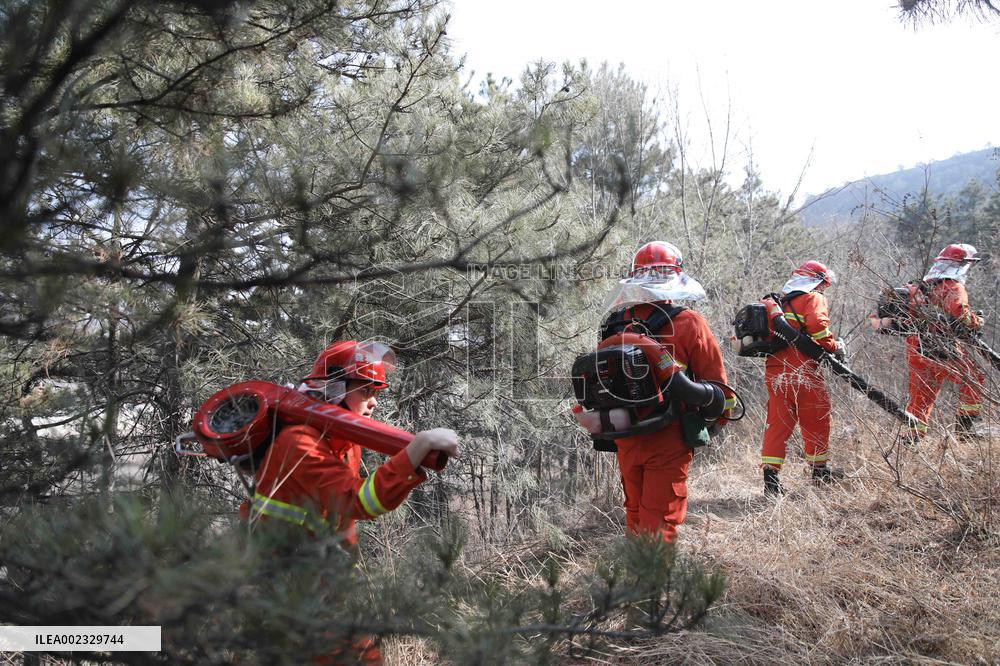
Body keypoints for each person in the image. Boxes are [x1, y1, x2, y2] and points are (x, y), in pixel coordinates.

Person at [244, 340, 459, 664]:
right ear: (333, 388)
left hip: (325, 592)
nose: (373, 403)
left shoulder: (339, 443)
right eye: (365, 392)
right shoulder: (298, 442)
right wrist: (420, 446)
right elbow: (358, 501)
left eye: (377, 393)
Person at [601, 241, 735, 542]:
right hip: (668, 436)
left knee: (636, 516)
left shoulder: (613, 325)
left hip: (626, 436)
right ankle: (651, 588)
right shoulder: (689, 323)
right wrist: (713, 424)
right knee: (659, 523)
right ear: (677, 277)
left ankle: (636, 584)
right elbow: (720, 390)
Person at [760, 261, 842, 496]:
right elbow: (818, 327)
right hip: (803, 369)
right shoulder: (812, 298)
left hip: (775, 371)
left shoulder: (779, 304)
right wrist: (834, 346)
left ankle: (771, 482)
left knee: (777, 424)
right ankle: (819, 472)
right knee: (816, 417)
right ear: (819, 282)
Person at [904, 243, 986, 441]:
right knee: (974, 378)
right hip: (941, 347)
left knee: (922, 394)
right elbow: (959, 313)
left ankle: (912, 439)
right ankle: (966, 430)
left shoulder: (920, 286)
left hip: (915, 347)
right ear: (961, 264)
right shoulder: (953, 286)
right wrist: (977, 321)